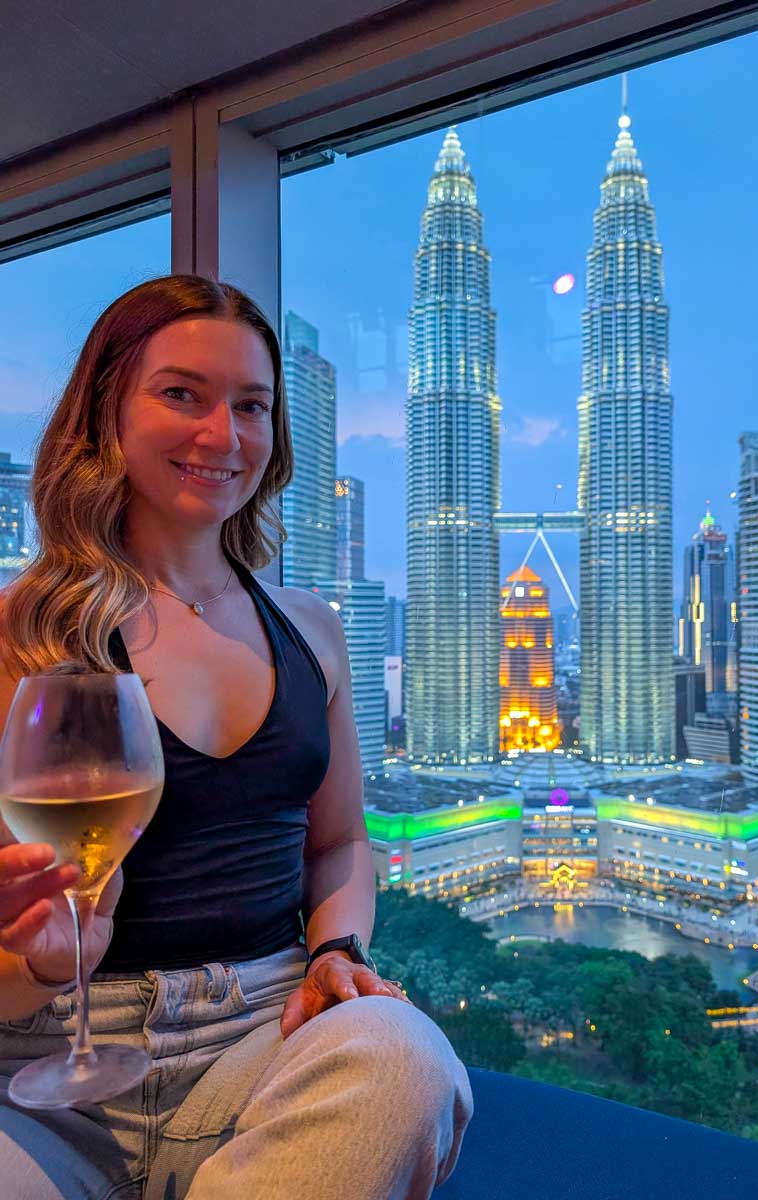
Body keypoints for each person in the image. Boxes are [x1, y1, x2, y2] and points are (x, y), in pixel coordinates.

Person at [0, 275, 474, 1199]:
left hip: (262, 1038)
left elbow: (338, 846)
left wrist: (338, 953)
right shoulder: (19, 636)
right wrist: (41, 958)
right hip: (45, 1059)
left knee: (406, 1061)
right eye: (182, 395)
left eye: (251, 406)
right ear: (106, 412)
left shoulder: (311, 629)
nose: (223, 436)